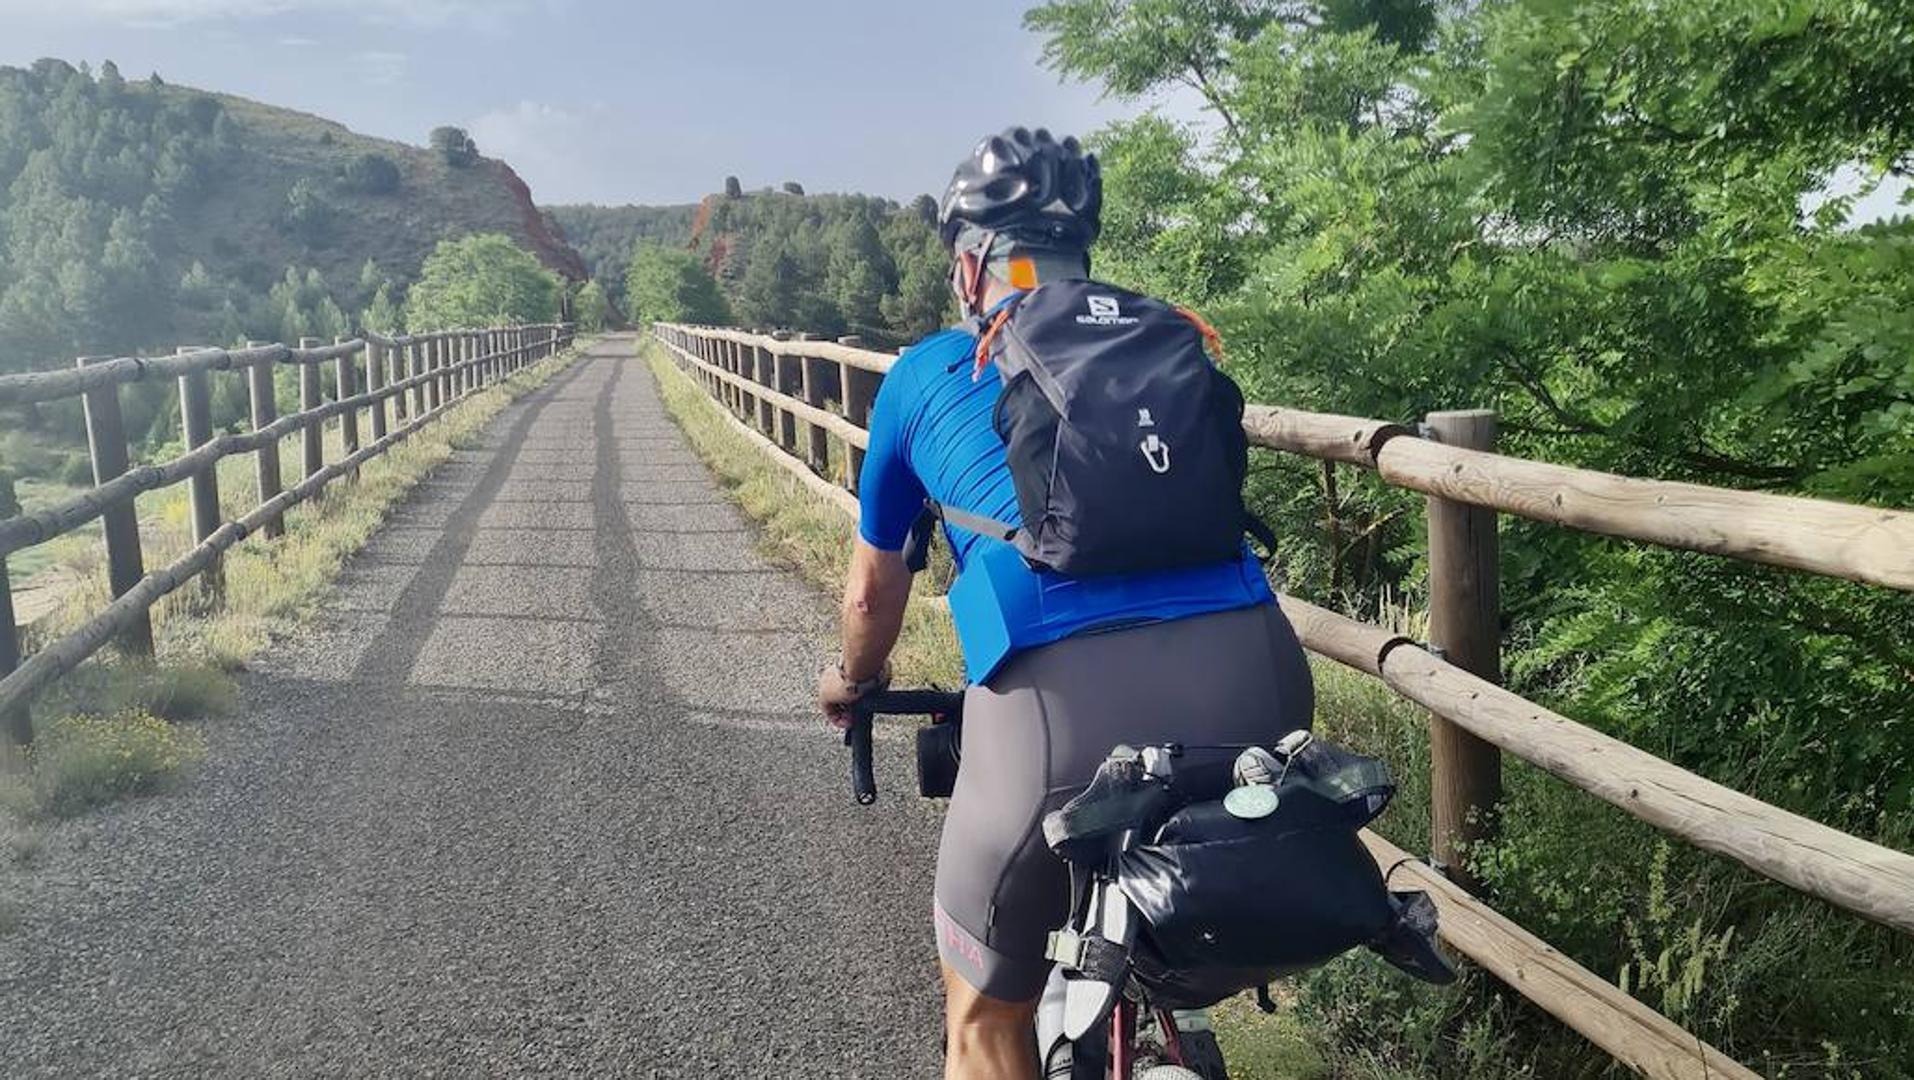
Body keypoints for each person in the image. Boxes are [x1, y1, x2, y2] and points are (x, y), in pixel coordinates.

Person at [815, 126, 1315, 1080]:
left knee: (982, 1019)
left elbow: (874, 588)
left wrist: (855, 679)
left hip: (1060, 716)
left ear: (970, 269)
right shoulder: (1162, 349)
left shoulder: (926, 374)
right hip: (1262, 679)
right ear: (1083, 253)